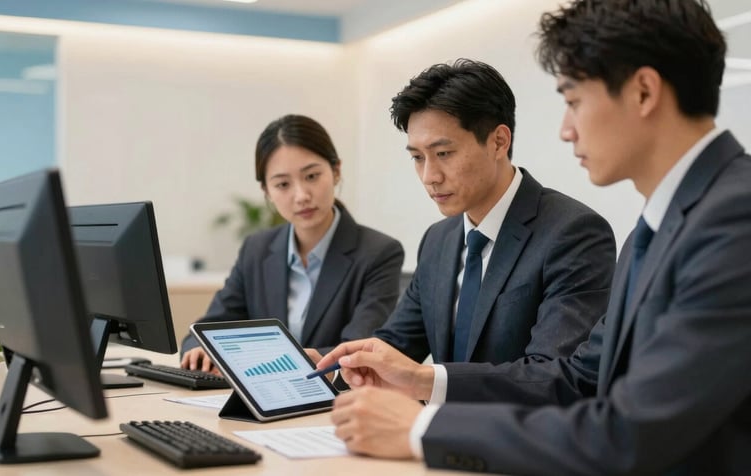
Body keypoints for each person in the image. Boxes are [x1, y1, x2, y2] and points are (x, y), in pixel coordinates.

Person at [318, 1, 751, 474]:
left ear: (644, 92)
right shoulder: (656, 228)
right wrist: (419, 378)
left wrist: (421, 431)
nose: (565, 131)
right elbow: (576, 381)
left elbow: (632, 431)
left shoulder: (734, 219)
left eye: (573, 101)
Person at [372, 59, 616, 367]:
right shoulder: (438, 239)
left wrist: (432, 381)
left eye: (444, 154)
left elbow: (550, 373)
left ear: (499, 142)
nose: (429, 176)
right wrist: (328, 365)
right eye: (418, 158)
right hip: (433, 415)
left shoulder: (574, 233)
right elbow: (396, 344)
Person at [181, 114, 404, 373]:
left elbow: (360, 348)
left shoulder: (379, 252)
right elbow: (208, 328)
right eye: (283, 184)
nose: (301, 196)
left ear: (336, 171)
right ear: (267, 191)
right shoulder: (256, 249)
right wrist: (199, 348)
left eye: (311, 176)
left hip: (337, 399)